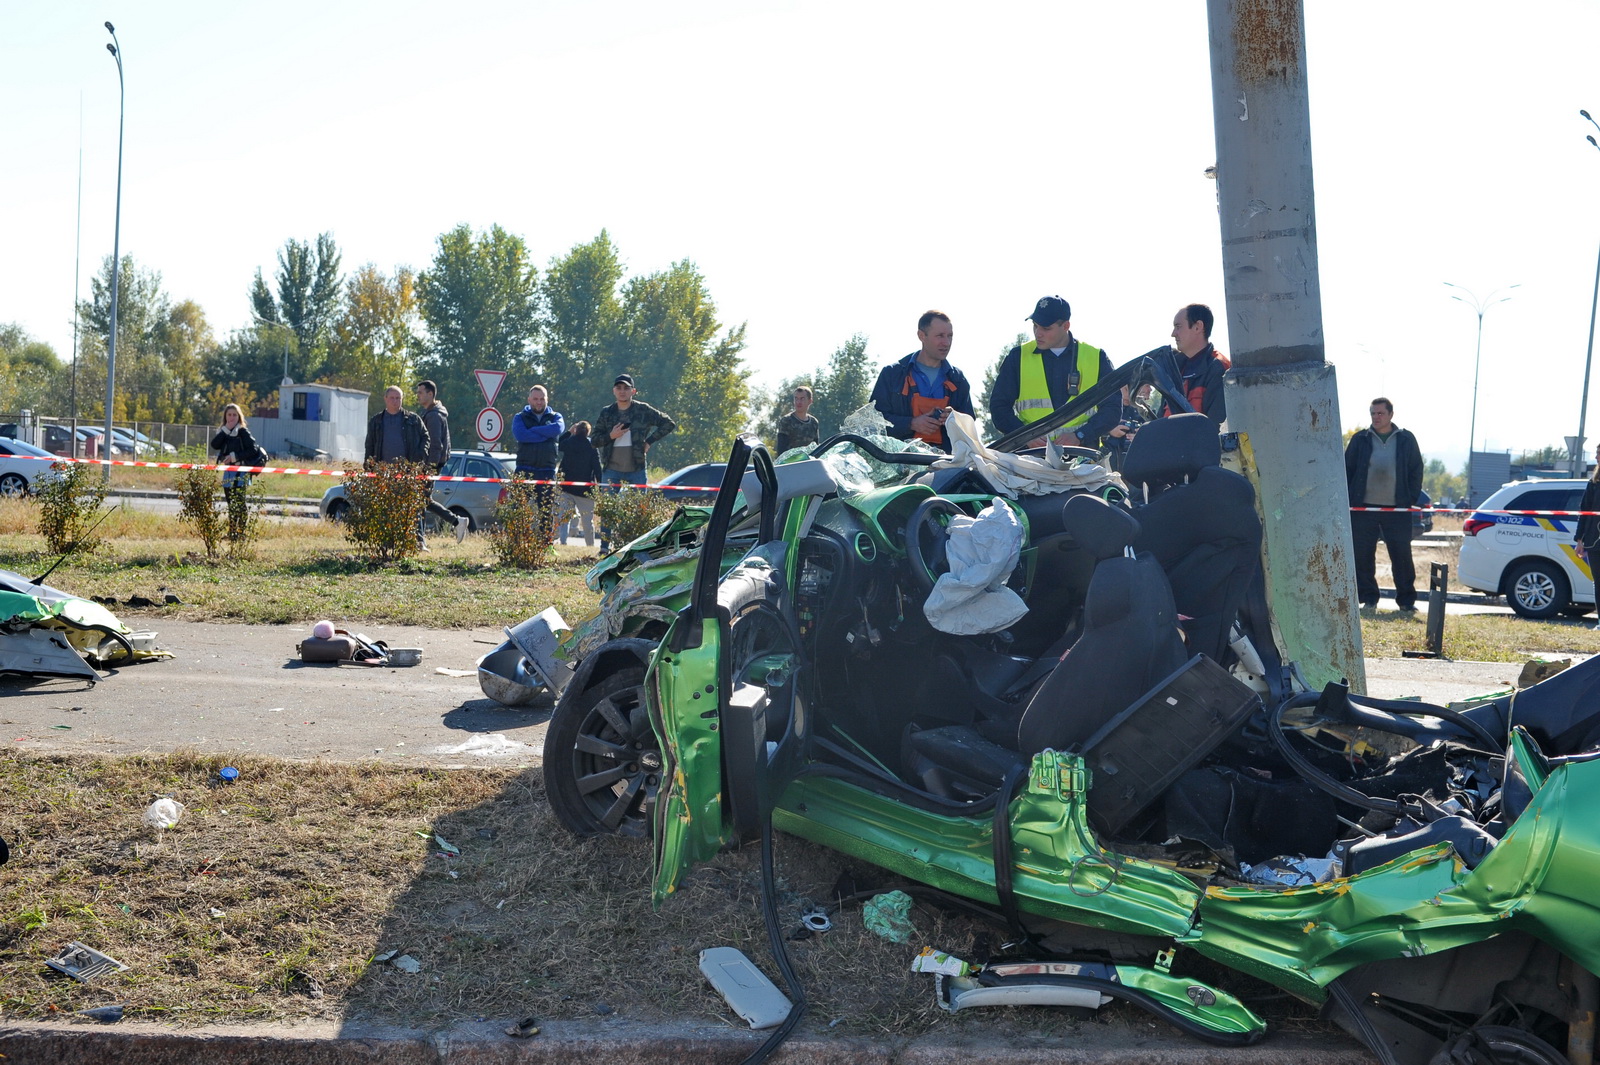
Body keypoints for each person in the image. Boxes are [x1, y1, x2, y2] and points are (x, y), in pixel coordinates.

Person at [988, 295, 1119, 449]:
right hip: (1030, 459)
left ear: (1066, 326)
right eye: (1035, 326)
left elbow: (1113, 409)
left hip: (1082, 458)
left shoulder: (1096, 357)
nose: (1038, 333)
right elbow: (999, 408)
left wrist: (1080, 435)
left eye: (1046, 328)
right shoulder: (1017, 357)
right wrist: (1023, 436)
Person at [1345, 397, 1424, 612]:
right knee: (1363, 556)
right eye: (1373, 413)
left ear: (1390, 414)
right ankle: (1369, 598)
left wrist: (1411, 498)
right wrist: (1350, 498)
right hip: (1363, 509)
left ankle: (1407, 601)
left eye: (1380, 413)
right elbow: (1347, 469)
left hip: (1398, 509)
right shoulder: (1360, 439)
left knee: (1401, 555)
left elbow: (1416, 469)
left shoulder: (1406, 439)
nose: (1376, 417)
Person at [869, 310, 974, 452]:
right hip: (900, 463)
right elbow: (873, 422)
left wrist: (955, 419)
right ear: (921, 336)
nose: (946, 342)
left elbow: (970, 428)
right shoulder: (893, 375)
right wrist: (911, 424)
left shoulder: (958, 380)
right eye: (940, 336)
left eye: (950, 336)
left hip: (946, 466)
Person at [364, 385, 435, 549]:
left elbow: (426, 438)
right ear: (385, 399)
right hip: (383, 473)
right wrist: (369, 466)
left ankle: (418, 541)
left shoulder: (413, 420)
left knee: (412, 507)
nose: (395, 401)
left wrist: (418, 458)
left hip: (407, 472)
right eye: (392, 398)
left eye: (398, 398)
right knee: (385, 508)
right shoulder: (376, 421)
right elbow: (369, 445)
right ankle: (387, 542)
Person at [593, 374, 676, 487]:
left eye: (626, 388)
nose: (622, 391)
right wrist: (611, 436)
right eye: (619, 388)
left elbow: (669, 423)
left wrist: (649, 441)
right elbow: (594, 441)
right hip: (611, 471)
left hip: (637, 470)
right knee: (607, 505)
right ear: (614, 391)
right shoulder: (607, 412)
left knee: (639, 505)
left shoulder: (643, 409)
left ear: (633, 391)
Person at [1157, 303, 1229, 424]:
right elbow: (1160, 421)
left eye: (1178, 326)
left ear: (1198, 327)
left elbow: (1216, 429)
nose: (1173, 333)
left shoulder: (1219, 369)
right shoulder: (1175, 371)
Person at [414, 380, 468, 543]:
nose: (418, 395)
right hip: (431, 464)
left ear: (430, 394)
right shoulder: (432, 413)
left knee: (420, 500)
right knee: (422, 500)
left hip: (431, 465)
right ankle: (456, 522)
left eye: (421, 392)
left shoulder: (434, 416)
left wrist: (429, 468)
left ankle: (420, 539)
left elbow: (435, 444)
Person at [511, 385, 566, 542]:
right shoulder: (519, 417)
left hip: (547, 470)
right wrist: (544, 433)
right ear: (529, 400)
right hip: (524, 469)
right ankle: (517, 543)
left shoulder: (556, 417)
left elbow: (557, 429)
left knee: (546, 511)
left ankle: (546, 544)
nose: (539, 402)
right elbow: (521, 435)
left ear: (547, 399)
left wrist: (533, 430)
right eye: (535, 399)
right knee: (519, 509)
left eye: (542, 399)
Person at [211, 403, 260, 538]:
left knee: (239, 502)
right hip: (228, 472)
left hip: (241, 471)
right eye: (229, 414)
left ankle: (241, 532)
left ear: (239, 417)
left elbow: (253, 449)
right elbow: (214, 445)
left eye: (234, 415)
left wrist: (234, 457)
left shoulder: (243, 431)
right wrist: (226, 430)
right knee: (230, 503)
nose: (232, 417)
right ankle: (232, 532)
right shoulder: (224, 431)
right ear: (225, 416)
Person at [556, 420, 603, 548]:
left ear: (575, 430)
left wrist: (568, 432)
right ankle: (590, 545)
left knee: (564, 518)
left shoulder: (569, 442)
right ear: (588, 432)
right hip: (585, 491)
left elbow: (559, 444)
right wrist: (599, 485)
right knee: (587, 521)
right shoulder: (592, 445)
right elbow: (597, 467)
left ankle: (563, 542)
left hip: (566, 488)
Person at [775, 385, 820, 454]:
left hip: (809, 463)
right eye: (796, 398)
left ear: (810, 401)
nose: (798, 402)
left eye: (802, 399)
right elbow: (781, 451)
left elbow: (816, 449)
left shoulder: (814, 423)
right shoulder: (786, 421)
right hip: (791, 463)